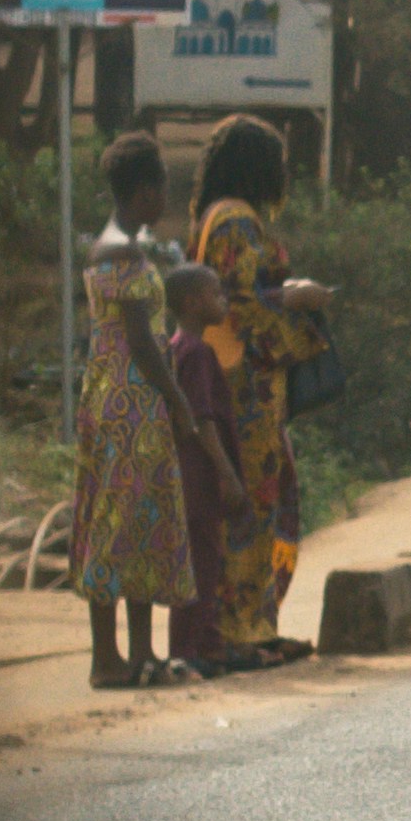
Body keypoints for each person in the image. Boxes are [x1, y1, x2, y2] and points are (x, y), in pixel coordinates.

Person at [69, 136, 212, 691]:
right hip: (129, 401)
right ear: (146, 190)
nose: (166, 199)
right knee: (118, 525)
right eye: (163, 190)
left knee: (140, 521)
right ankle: (107, 659)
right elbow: (143, 343)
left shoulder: (117, 244)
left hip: (119, 399)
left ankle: (141, 654)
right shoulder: (123, 252)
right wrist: (178, 402)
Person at [191, 114, 328, 667]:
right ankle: (238, 630)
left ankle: (257, 625)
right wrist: (298, 302)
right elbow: (242, 305)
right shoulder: (238, 223)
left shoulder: (216, 215)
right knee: (249, 504)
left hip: (241, 385)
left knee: (266, 502)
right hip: (242, 388)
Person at [163, 262, 247, 679]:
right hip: (200, 473)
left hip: (188, 474)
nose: (224, 302)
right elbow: (201, 419)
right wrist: (227, 473)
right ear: (193, 302)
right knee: (201, 562)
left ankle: (209, 647)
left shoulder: (176, 347)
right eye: (217, 295)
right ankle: (187, 650)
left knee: (205, 561)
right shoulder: (196, 352)